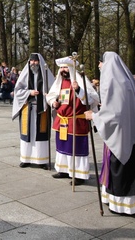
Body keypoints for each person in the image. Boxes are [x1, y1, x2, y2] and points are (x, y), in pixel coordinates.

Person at [85, 52, 135, 215]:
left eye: (101, 62)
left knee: (122, 167)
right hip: (133, 132)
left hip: (121, 134)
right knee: (134, 167)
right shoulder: (125, 80)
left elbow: (113, 115)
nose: (99, 66)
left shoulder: (113, 81)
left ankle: (122, 205)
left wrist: (94, 116)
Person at [46, 56, 99, 185]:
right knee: (62, 146)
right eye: (61, 68)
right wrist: (54, 103)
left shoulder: (81, 82)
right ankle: (63, 169)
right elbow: (51, 96)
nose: (63, 70)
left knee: (76, 148)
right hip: (62, 120)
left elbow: (92, 100)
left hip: (76, 121)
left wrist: (79, 90)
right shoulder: (60, 82)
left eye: (65, 67)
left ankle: (78, 175)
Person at [12, 53, 55, 169]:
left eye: (35, 61)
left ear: (39, 62)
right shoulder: (25, 74)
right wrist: (29, 93)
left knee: (41, 134)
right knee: (28, 134)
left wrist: (48, 96)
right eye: (31, 61)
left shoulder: (46, 73)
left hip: (42, 109)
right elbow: (17, 90)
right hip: (28, 108)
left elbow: (54, 90)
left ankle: (42, 160)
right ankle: (26, 159)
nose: (33, 63)